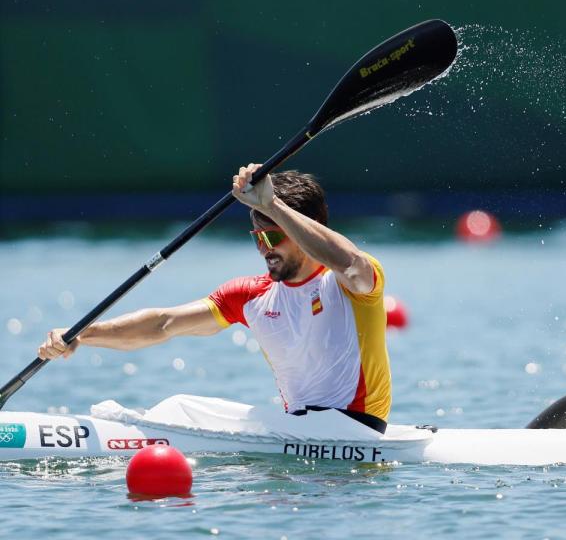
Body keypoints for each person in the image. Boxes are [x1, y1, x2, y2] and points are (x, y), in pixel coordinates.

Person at [37, 165, 392, 433]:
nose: (263, 250)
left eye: (272, 238)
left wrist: (275, 204)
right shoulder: (250, 295)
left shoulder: (350, 283)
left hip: (356, 430)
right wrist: (81, 334)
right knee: (181, 406)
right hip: (297, 430)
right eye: (257, 238)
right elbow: (164, 324)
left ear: (307, 227)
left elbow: (350, 262)